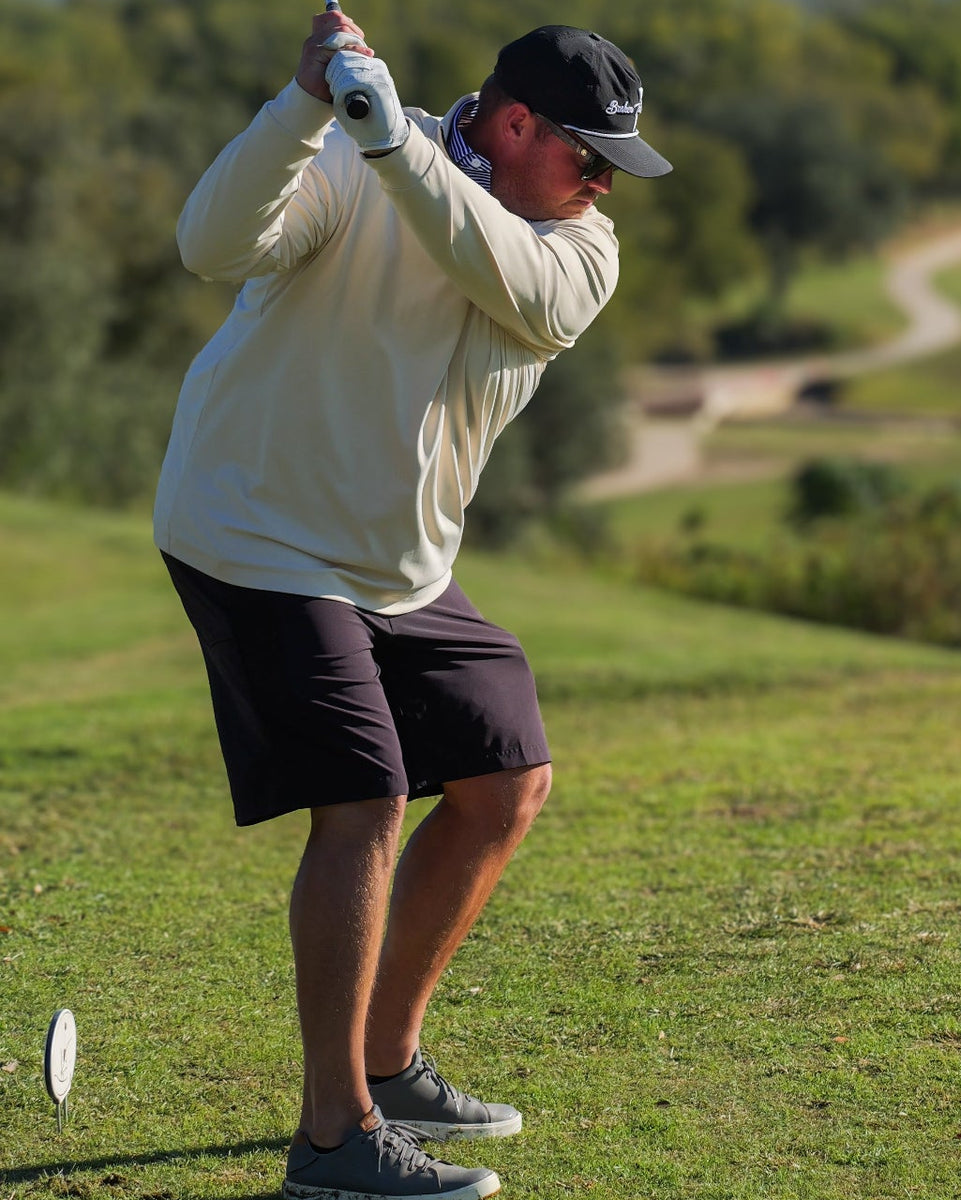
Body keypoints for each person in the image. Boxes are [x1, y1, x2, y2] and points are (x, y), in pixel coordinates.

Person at [154, 10, 670, 1200]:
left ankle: (387, 1063)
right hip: (258, 532)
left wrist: (400, 148)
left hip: (402, 564)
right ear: (514, 120)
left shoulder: (579, 250)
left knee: (506, 779)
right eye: (586, 156)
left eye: (613, 169)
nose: (599, 186)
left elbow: (494, 263)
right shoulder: (346, 152)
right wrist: (304, 110)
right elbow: (206, 245)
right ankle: (333, 1140)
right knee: (365, 799)